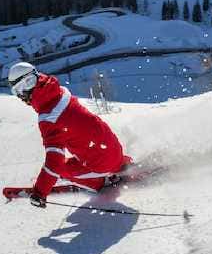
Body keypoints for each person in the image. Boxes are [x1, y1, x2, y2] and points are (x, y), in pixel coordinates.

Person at [8, 62, 130, 207]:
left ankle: (103, 182)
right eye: (17, 91)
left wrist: (40, 191)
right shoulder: (58, 93)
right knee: (76, 154)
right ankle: (121, 164)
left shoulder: (50, 117)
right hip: (112, 148)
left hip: (103, 162)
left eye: (25, 86)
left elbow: (55, 163)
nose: (22, 95)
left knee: (62, 169)